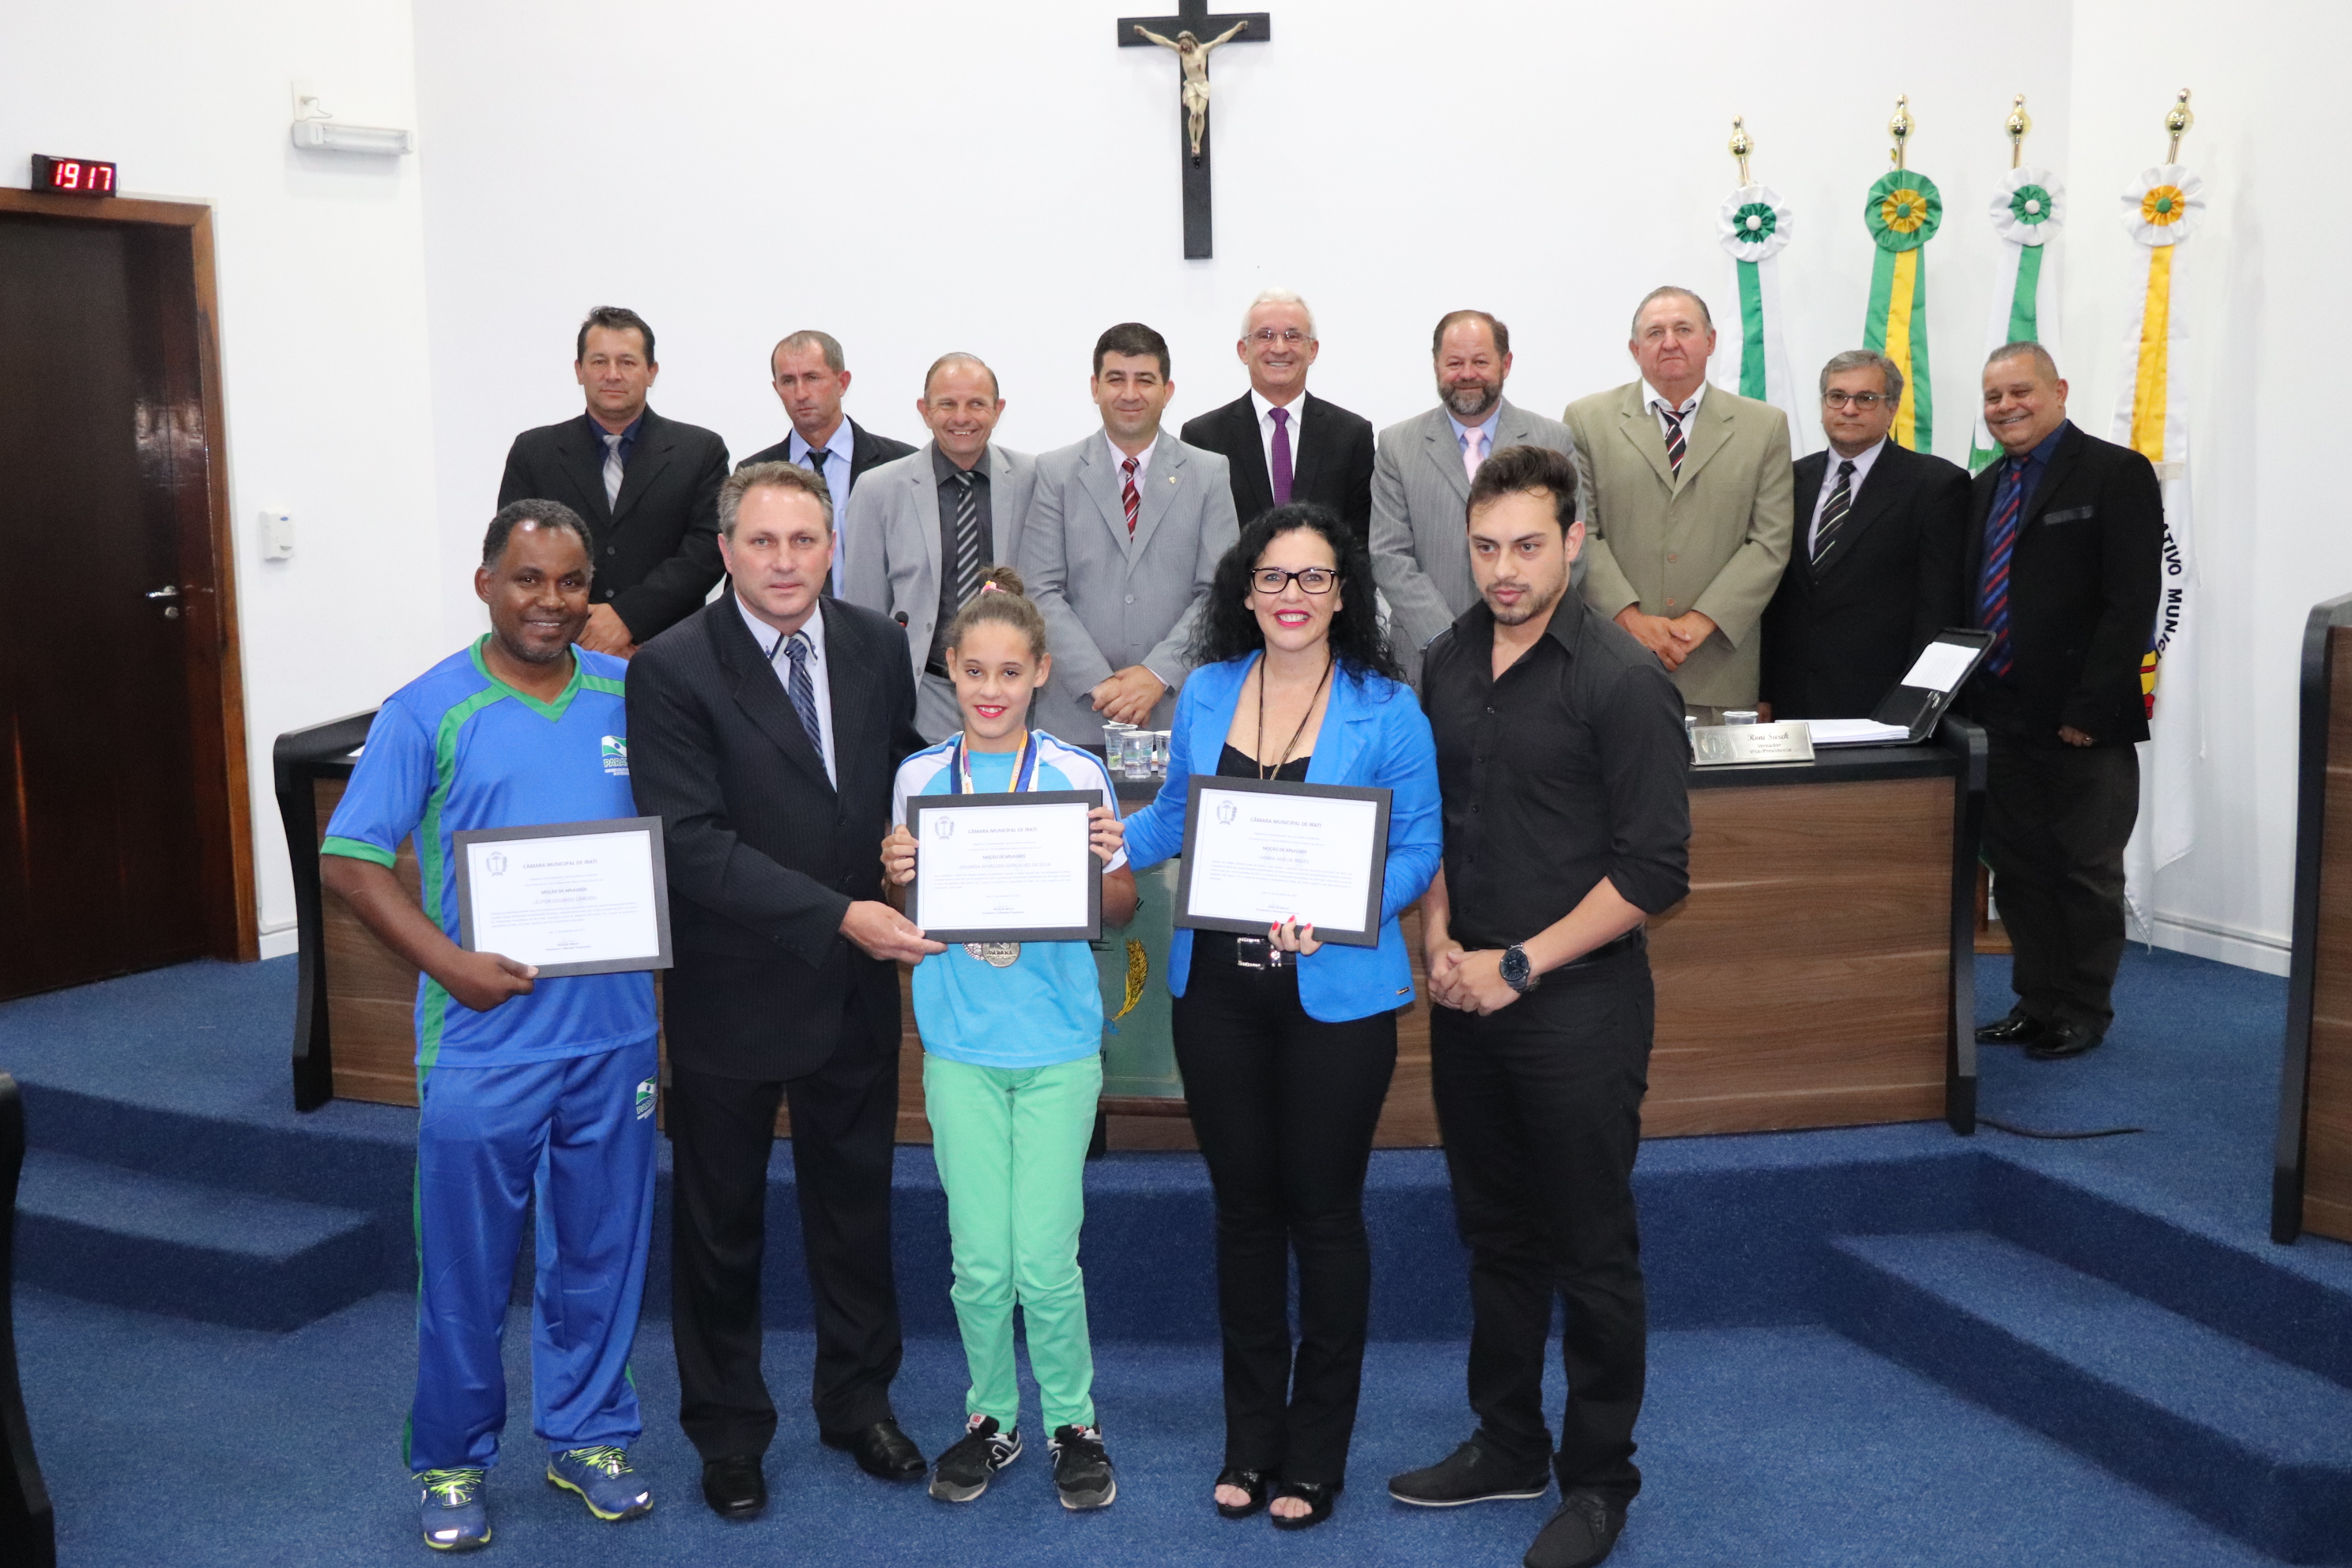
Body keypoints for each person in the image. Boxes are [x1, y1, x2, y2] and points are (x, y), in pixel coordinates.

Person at [320, 499, 661, 1551]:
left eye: (571, 583)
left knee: (602, 1251)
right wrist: (446, 964)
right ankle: (454, 1460)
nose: (551, 603)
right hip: (484, 1042)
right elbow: (349, 861)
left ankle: (590, 1434)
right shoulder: (430, 707)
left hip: (614, 1034)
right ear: (485, 584)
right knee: (467, 1265)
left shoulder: (630, 695)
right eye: (527, 580)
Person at [624, 462, 944, 1521]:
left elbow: (889, 778)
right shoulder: (670, 667)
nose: (784, 562)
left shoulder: (873, 643)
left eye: (804, 541)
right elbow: (688, 844)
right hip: (735, 991)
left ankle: (859, 1406)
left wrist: (923, 854)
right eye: (762, 543)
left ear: (830, 547)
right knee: (721, 1229)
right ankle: (727, 1432)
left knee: (854, 1216)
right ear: (726, 550)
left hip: (855, 992)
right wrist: (841, 913)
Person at [1389, 445, 1690, 1568]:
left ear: (1573, 541)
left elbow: (1656, 871)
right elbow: (1443, 824)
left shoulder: (1621, 677)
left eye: (1527, 546)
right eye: (1485, 548)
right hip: (1470, 998)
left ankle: (1600, 1480)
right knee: (1498, 1235)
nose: (1504, 571)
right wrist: (1443, 944)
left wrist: (1521, 964)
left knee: (1590, 1247)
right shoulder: (1446, 660)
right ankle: (1507, 1441)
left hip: (1578, 1006)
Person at [1121, 503, 1441, 1531]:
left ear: (1343, 592)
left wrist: (1346, 912)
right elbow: (1175, 816)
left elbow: (1417, 852)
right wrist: (1077, 842)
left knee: (1325, 1215)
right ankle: (1249, 1442)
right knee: (1245, 1218)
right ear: (1245, 593)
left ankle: (1315, 1453)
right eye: (1273, 578)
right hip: (1213, 995)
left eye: (1312, 578)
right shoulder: (1210, 690)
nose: (1292, 596)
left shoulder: (1388, 708)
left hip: (1335, 1002)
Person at [878, 568, 1136, 1512]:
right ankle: (992, 1417)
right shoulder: (917, 777)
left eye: (1010, 672)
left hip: (1061, 1044)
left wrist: (1096, 859)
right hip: (959, 1045)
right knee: (980, 1256)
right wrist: (896, 869)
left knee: (1044, 1255)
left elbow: (1122, 902)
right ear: (950, 670)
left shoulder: (1076, 774)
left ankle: (1074, 1420)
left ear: (1040, 673)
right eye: (974, 670)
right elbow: (907, 913)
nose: (992, 689)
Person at [1963, 342, 2162, 1061]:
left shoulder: (2115, 473)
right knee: (2019, 869)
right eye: (1993, 397)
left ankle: (2082, 1009)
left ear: (2059, 391)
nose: (2006, 407)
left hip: (2083, 721)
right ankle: (2036, 1001)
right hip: (2001, 714)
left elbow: (2132, 600)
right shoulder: (1983, 489)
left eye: (2020, 391)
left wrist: (2090, 708)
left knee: (2084, 870)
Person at [1565, 286, 1795, 722]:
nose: (1669, 341)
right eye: (1655, 332)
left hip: (1718, 667)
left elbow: (1769, 543)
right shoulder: (1586, 420)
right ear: (1635, 349)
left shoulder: (1763, 426)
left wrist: (1698, 625)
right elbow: (1581, 534)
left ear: (1710, 342)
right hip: (1614, 658)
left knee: (1719, 793)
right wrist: (1631, 621)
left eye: (1683, 329)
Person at [1020, 321, 1240, 744]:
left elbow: (1218, 591)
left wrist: (1158, 674)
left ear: (1167, 390)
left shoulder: (1209, 473)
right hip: (1076, 712)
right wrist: (1101, 684)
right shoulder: (1055, 472)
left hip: (1177, 711)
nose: (1130, 393)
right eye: (1115, 379)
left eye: (1145, 380)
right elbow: (1040, 590)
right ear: (1095, 387)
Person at [496, 306, 732, 653]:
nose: (612, 375)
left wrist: (626, 618)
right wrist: (584, 630)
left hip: (672, 650)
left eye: (627, 362)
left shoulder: (700, 451)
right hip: (562, 649)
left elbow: (708, 550)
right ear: (579, 371)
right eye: (599, 361)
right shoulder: (534, 452)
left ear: (651, 372)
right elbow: (513, 552)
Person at [1368, 310, 1579, 684]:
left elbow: (1571, 554)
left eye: (1481, 361)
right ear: (1436, 366)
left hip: (1532, 655)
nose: (1467, 374)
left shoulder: (1554, 441)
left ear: (1506, 364)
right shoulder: (1396, 445)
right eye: (1454, 363)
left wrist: (1519, 634)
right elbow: (1388, 555)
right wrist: (1449, 641)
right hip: (1426, 658)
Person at [1759, 350, 1970, 719]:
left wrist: (1915, 708)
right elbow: (1773, 601)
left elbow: (1936, 611)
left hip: (1881, 705)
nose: (1849, 409)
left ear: (1892, 408)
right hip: (1791, 704)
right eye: (1837, 397)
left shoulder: (1934, 485)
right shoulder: (1788, 480)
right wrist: (1765, 692)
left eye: (1866, 399)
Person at [842, 352, 1038, 741]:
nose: (961, 417)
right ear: (925, 410)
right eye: (947, 404)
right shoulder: (877, 489)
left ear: (998, 410)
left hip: (1015, 695)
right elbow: (863, 614)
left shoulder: (1036, 479)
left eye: (976, 404)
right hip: (923, 694)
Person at [1180, 289, 1376, 542]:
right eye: (1265, 335)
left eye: (1293, 336)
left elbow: (1361, 542)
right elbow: (1194, 541)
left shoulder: (1351, 435)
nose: (1280, 348)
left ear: (1312, 350)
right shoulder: (1203, 438)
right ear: (1243, 350)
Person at [739, 329, 918, 591]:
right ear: (776, 389)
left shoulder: (900, 464)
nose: (801, 393)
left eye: (812, 378)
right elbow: (743, 572)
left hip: (877, 623)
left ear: (842, 382)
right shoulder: (754, 473)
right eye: (788, 381)